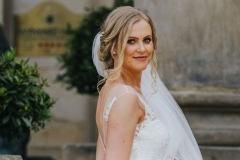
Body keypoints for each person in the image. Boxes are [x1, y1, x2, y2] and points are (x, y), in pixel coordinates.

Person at [92, 6, 203, 160]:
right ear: (114, 47)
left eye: (147, 40)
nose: (142, 49)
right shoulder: (126, 97)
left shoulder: (111, 89)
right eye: (131, 41)